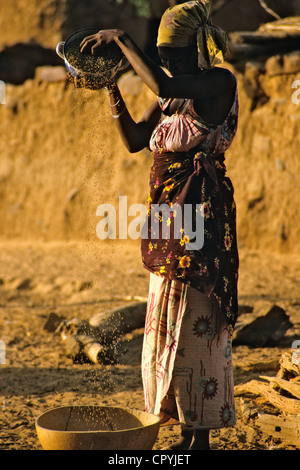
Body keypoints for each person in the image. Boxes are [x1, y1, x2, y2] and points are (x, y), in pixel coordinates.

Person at [80, 0, 239, 450]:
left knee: (195, 321)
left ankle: (201, 439)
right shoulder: (175, 93)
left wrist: (121, 39)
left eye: (172, 51)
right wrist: (112, 86)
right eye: (160, 51)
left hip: (201, 219)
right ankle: (188, 433)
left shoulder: (217, 83)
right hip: (171, 219)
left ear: (197, 48)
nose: (165, 59)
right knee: (168, 322)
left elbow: (164, 81)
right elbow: (134, 141)